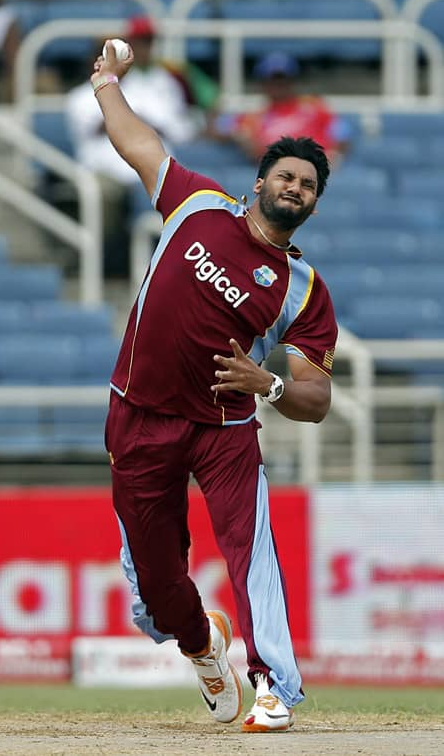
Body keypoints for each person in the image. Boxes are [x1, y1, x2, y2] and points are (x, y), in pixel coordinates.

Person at [93, 40, 338, 732]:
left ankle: (274, 688)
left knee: (251, 550)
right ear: (258, 183)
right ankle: (202, 644)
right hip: (138, 415)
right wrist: (107, 83)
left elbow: (317, 400)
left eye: (308, 186)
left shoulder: (303, 288)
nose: (294, 189)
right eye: (285, 177)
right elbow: (138, 143)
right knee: (157, 590)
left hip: (225, 429)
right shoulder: (197, 205)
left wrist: (270, 385)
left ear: (313, 207)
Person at [65, 14, 198, 277]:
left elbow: (179, 129)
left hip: (152, 169)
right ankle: (100, 268)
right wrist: (135, 122)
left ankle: (171, 270)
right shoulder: (79, 97)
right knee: (100, 194)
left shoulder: (149, 88)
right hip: (104, 171)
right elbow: (92, 130)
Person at [212, 51, 350, 165]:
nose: (277, 85)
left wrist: (332, 158)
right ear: (263, 83)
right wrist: (240, 137)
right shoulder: (253, 117)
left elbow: (343, 134)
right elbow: (218, 129)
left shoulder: (314, 107)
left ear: (292, 81)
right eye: (271, 79)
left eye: (282, 79)